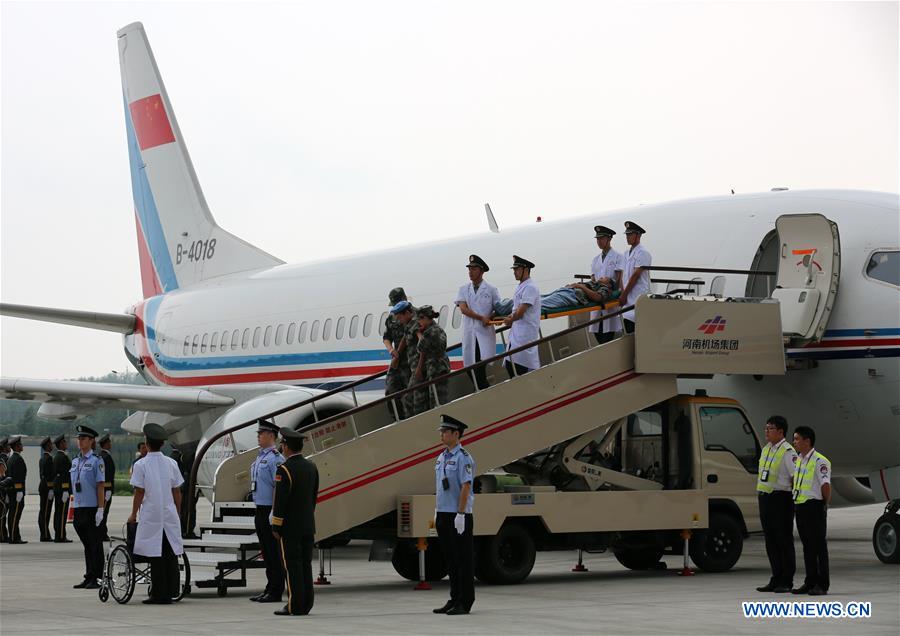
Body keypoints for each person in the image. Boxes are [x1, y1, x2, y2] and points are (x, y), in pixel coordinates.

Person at [128, 423, 185, 604]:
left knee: (156, 555)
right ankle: (173, 590)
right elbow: (177, 491)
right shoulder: (171, 463)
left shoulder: (141, 464)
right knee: (170, 554)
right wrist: (177, 511)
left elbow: (139, 491)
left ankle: (159, 593)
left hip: (152, 514)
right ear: (162, 444)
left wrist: (133, 514)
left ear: (146, 442)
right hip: (169, 514)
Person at [271, 427, 319, 616]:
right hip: (308, 524)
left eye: (282, 444)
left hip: (290, 527)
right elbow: (313, 497)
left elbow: (280, 502)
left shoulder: (284, 469)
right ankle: (307, 603)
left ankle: (294, 605)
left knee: (292, 566)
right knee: (305, 565)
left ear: (286, 446)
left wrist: (276, 524)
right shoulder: (311, 467)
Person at [432, 414, 476, 616]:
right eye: (441, 431)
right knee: (450, 559)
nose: (441, 434)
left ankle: (465, 601)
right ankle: (454, 597)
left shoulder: (463, 458)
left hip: (458, 516)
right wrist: (437, 509)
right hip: (443, 513)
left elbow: (465, 486)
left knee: (462, 559)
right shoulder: (442, 457)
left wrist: (460, 514)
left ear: (456, 434)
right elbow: (442, 486)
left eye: (445, 431)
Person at [755, 415, 798, 594]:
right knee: (770, 540)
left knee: (784, 540)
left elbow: (795, 477)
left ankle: (787, 580)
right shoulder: (766, 449)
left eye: (770, 428)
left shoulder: (788, 452)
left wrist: (795, 500)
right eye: (766, 428)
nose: (766, 431)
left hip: (782, 498)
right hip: (765, 498)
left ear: (781, 431)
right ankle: (776, 577)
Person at [791, 426, 831, 596]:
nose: (794, 442)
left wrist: (823, 506)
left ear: (807, 441)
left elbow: (826, 485)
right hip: (800, 506)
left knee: (819, 547)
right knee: (807, 547)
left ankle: (822, 584)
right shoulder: (799, 459)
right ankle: (810, 581)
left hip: (814, 506)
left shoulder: (820, 461)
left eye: (797, 439)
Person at [249, 419, 286, 604]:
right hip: (259, 509)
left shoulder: (275, 459)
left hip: (269, 510)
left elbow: (278, 488)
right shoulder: (259, 457)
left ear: (271, 435)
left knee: (273, 552)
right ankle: (269, 587)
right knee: (266, 551)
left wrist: (274, 511)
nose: (258, 436)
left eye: (261, 433)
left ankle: (276, 589)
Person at [455, 255, 500, 390]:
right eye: (469, 269)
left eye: (474, 269)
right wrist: (482, 318)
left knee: (479, 368)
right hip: (470, 333)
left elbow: (498, 308)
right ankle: (482, 390)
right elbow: (463, 309)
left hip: (484, 333)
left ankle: (483, 392)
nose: (470, 272)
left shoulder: (491, 290)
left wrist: (491, 316)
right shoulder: (463, 289)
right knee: (469, 367)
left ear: (481, 271)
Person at [69, 425, 106, 589]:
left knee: (95, 544)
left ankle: (98, 577)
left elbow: (100, 485)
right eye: (79, 438)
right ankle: (89, 575)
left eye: (83, 438)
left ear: (91, 441)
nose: (80, 441)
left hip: (91, 508)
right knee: (87, 544)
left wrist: (100, 508)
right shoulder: (75, 461)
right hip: (78, 507)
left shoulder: (96, 461)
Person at [493, 277, 617, 316]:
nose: (602, 276)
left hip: (571, 297)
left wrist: (580, 287)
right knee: (533, 299)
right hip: (565, 292)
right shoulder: (595, 283)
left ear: (609, 284)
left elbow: (598, 298)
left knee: (537, 304)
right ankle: (502, 306)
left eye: (605, 277)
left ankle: (509, 310)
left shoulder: (605, 289)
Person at [503, 255, 540, 378]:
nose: (514, 272)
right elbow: (516, 309)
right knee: (512, 366)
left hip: (524, 337)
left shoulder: (530, 287)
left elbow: (520, 312)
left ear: (525, 269)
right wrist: (508, 317)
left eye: (516, 269)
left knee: (517, 369)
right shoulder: (522, 286)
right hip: (517, 336)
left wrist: (510, 319)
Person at [412, 305, 452, 415]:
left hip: (436, 369)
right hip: (439, 368)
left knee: (437, 402)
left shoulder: (431, 332)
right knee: (437, 400)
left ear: (425, 318)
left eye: (420, 319)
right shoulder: (436, 329)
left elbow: (420, 347)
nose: (419, 322)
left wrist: (419, 334)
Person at [589, 225, 623, 344]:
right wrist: (598, 282)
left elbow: (619, 281)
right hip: (597, 299)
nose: (598, 241)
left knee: (608, 334)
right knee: (597, 331)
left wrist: (610, 281)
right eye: (597, 239)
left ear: (609, 239)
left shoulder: (618, 257)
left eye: (601, 238)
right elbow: (593, 279)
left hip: (609, 300)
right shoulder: (595, 260)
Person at [383, 287, 411, 419]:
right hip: (397, 360)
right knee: (390, 391)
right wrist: (391, 350)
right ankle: (397, 418)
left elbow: (408, 335)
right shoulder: (391, 318)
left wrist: (397, 353)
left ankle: (410, 417)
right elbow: (386, 337)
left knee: (410, 392)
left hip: (410, 359)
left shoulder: (413, 313)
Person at [619, 221, 652, 334]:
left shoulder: (643, 253)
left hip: (637, 297)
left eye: (630, 234)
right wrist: (622, 292)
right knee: (628, 330)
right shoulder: (625, 254)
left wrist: (624, 294)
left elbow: (635, 275)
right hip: (628, 299)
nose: (627, 237)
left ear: (638, 235)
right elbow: (623, 276)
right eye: (627, 235)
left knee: (637, 333)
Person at [390, 300, 418, 418]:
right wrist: (397, 355)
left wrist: (419, 369)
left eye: (400, 317)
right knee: (408, 398)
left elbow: (423, 347)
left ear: (407, 313)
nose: (399, 321)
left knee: (409, 399)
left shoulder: (416, 325)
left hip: (421, 369)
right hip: (415, 369)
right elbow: (405, 339)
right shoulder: (409, 325)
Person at [5, 436, 28, 543]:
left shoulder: (11, 459)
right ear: (17, 446)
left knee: (13, 514)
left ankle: (14, 535)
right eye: (20, 444)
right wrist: (19, 490)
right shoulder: (17, 459)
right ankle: (14, 537)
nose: (22, 446)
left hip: (11, 490)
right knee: (15, 515)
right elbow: (18, 477)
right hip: (16, 491)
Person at [52, 434, 73, 543]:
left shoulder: (56, 456)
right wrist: (65, 489)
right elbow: (65, 474)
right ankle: (60, 536)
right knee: (61, 513)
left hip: (58, 488)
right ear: (60, 444)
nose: (66, 444)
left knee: (58, 512)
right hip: (62, 489)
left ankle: (58, 534)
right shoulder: (63, 457)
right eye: (64, 442)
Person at [97, 433, 116, 541]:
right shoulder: (106, 457)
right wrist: (108, 489)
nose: (110, 444)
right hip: (106, 489)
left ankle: (101, 532)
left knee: (102, 511)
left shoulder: (100, 456)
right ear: (105, 444)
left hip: (102, 489)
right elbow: (107, 475)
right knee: (103, 512)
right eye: (109, 442)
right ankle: (102, 533)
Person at [38, 436, 55, 541]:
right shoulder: (49, 459)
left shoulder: (42, 458)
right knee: (45, 512)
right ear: (47, 446)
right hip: (47, 488)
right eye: (50, 444)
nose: (52, 445)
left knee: (43, 511)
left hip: (43, 487)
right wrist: (51, 488)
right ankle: (44, 535)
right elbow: (49, 475)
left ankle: (45, 533)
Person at [0, 437, 9, 543]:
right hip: (2, 491)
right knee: (2, 515)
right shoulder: (2, 459)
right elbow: (3, 475)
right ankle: (2, 536)